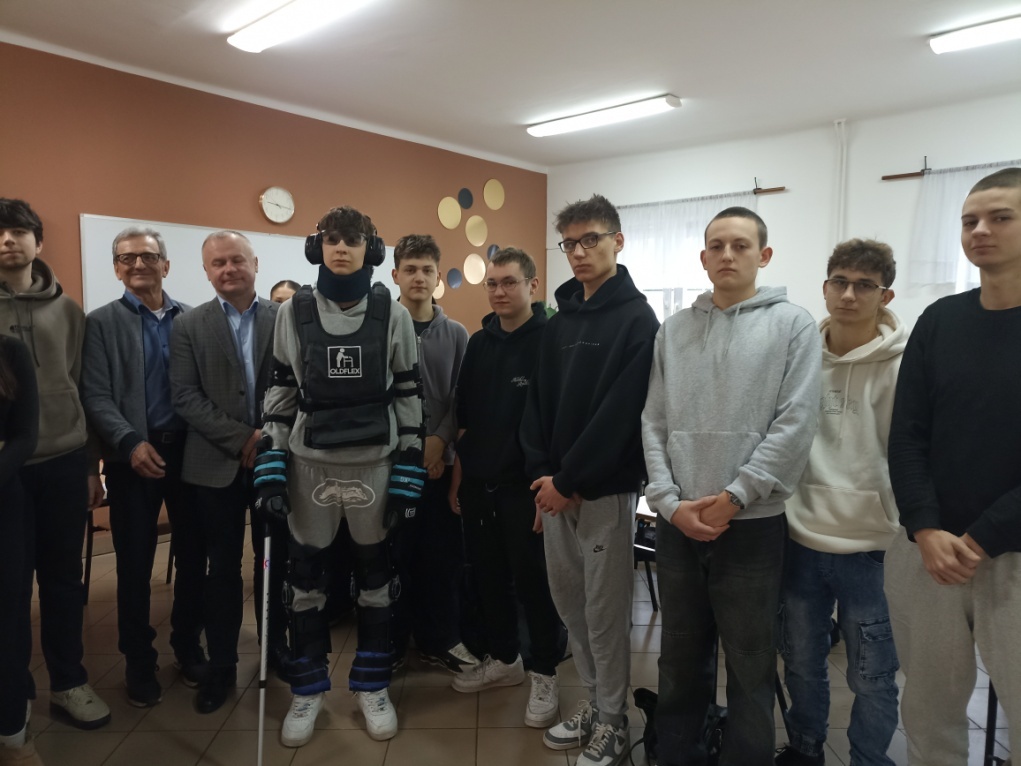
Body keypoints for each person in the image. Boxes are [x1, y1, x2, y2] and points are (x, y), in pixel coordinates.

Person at [641, 207, 820, 766]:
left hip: (752, 526)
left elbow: (795, 425)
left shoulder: (793, 326)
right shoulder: (673, 330)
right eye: (716, 246)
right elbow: (653, 422)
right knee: (679, 656)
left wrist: (735, 496)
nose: (727, 255)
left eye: (740, 245)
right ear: (702, 257)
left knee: (750, 660)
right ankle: (678, 754)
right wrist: (668, 502)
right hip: (678, 524)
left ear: (763, 256)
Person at [257, 206, 424, 746]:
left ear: (369, 249)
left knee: (377, 578)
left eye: (352, 240)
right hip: (311, 464)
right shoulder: (293, 311)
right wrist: (271, 464)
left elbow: (408, 394)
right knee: (304, 580)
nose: (341, 249)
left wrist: (409, 467)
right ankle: (307, 690)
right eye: (332, 240)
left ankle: (372, 685)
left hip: (374, 463)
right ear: (318, 248)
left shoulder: (392, 313)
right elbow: (281, 391)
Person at [886, 167, 1021, 765]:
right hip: (930, 553)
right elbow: (907, 435)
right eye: (970, 220)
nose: (980, 230)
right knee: (929, 712)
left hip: (1011, 556)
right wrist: (924, 526)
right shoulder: (941, 320)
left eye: (1000, 218)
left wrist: (983, 537)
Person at [521, 194, 660, 766]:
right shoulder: (559, 322)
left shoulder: (638, 320)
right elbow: (537, 405)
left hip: (603, 490)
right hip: (555, 493)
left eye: (591, 240)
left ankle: (613, 720)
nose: (579, 252)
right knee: (571, 605)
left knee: (604, 613)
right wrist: (542, 477)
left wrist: (569, 478)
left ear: (617, 241)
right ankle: (596, 702)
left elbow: (622, 415)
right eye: (570, 244)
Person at [777, 239, 905, 766]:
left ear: (884, 294)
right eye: (840, 282)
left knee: (872, 675)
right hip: (799, 538)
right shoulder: (798, 356)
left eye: (864, 285)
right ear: (825, 287)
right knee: (801, 662)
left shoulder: (904, 365)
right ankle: (805, 749)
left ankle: (868, 760)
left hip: (872, 547)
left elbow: (911, 454)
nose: (849, 295)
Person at [0, 199, 110, 731]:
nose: (8, 240)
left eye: (19, 231)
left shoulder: (68, 311)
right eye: (0, 232)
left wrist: (91, 466)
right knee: (10, 587)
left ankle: (69, 682)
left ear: (38, 242)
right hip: (6, 472)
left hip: (64, 461)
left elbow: (82, 386)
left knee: (64, 579)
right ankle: (14, 693)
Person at [450, 247, 564, 728]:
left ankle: (545, 673)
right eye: (492, 283)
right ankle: (504, 659)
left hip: (528, 489)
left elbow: (559, 423)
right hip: (480, 484)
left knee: (535, 585)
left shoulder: (552, 340)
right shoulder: (479, 343)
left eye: (509, 282)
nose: (499, 292)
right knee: (489, 578)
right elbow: (465, 420)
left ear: (532, 286)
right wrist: (459, 478)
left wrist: (548, 490)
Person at [81, 227, 194, 707]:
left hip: (190, 457)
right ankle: (139, 661)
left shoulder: (191, 319)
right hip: (130, 460)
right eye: (126, 258)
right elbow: (95, 395)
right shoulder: (99, 323)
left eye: (148, 256)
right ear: (116, 269)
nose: (138, 264)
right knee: (133, 567)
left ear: (165, 265)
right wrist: (129, 443)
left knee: (193, 559)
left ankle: (188, 647)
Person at [169, 230, 281, 714]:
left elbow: (302, 384)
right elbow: (184, 396)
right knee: (221, 571)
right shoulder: (188, 325)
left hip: (276, 460)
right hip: (213, 466)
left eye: (237, 259)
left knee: (274, 564)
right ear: (206, 271)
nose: (229, 269)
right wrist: (243, 438)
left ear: (256, 264)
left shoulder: (285, 318)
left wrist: (268, 438)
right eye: (218, 263)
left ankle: (275, 653)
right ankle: (222, 666)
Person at [389, 233, 476, 672]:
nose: (418, 277)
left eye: (427, 270)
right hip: (392, 463)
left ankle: (439, 638)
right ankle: (392, 642)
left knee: (441, 557)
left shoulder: (457, 334)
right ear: (395, 275)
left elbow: (462, 396)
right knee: (394, 556)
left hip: (443, 464)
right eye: (410, 269)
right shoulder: (382, 327)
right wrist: (413, 447)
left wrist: (439, 442)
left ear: (438, 276)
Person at [0, 336, 41, 766]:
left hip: (4, 504)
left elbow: (25, 436)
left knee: (6, 628)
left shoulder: (9, 351)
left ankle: (12, 737)